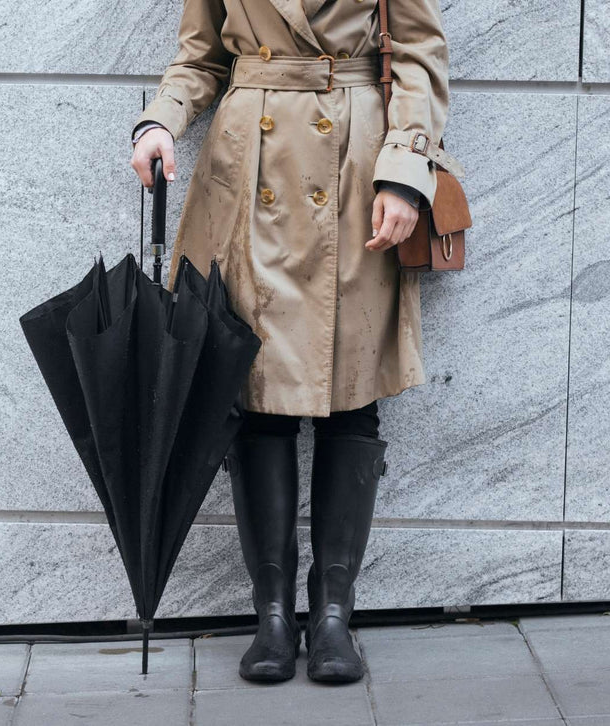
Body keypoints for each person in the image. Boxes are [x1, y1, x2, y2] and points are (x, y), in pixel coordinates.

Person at [129, 0, 457, 684]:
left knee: (351, 391)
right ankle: (272, 615)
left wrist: (405, 169)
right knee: (257, 394)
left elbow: (421, 54)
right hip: (251, 171)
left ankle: (333, 613)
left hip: (354, 168)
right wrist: (162, 118)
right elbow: (201, 54)